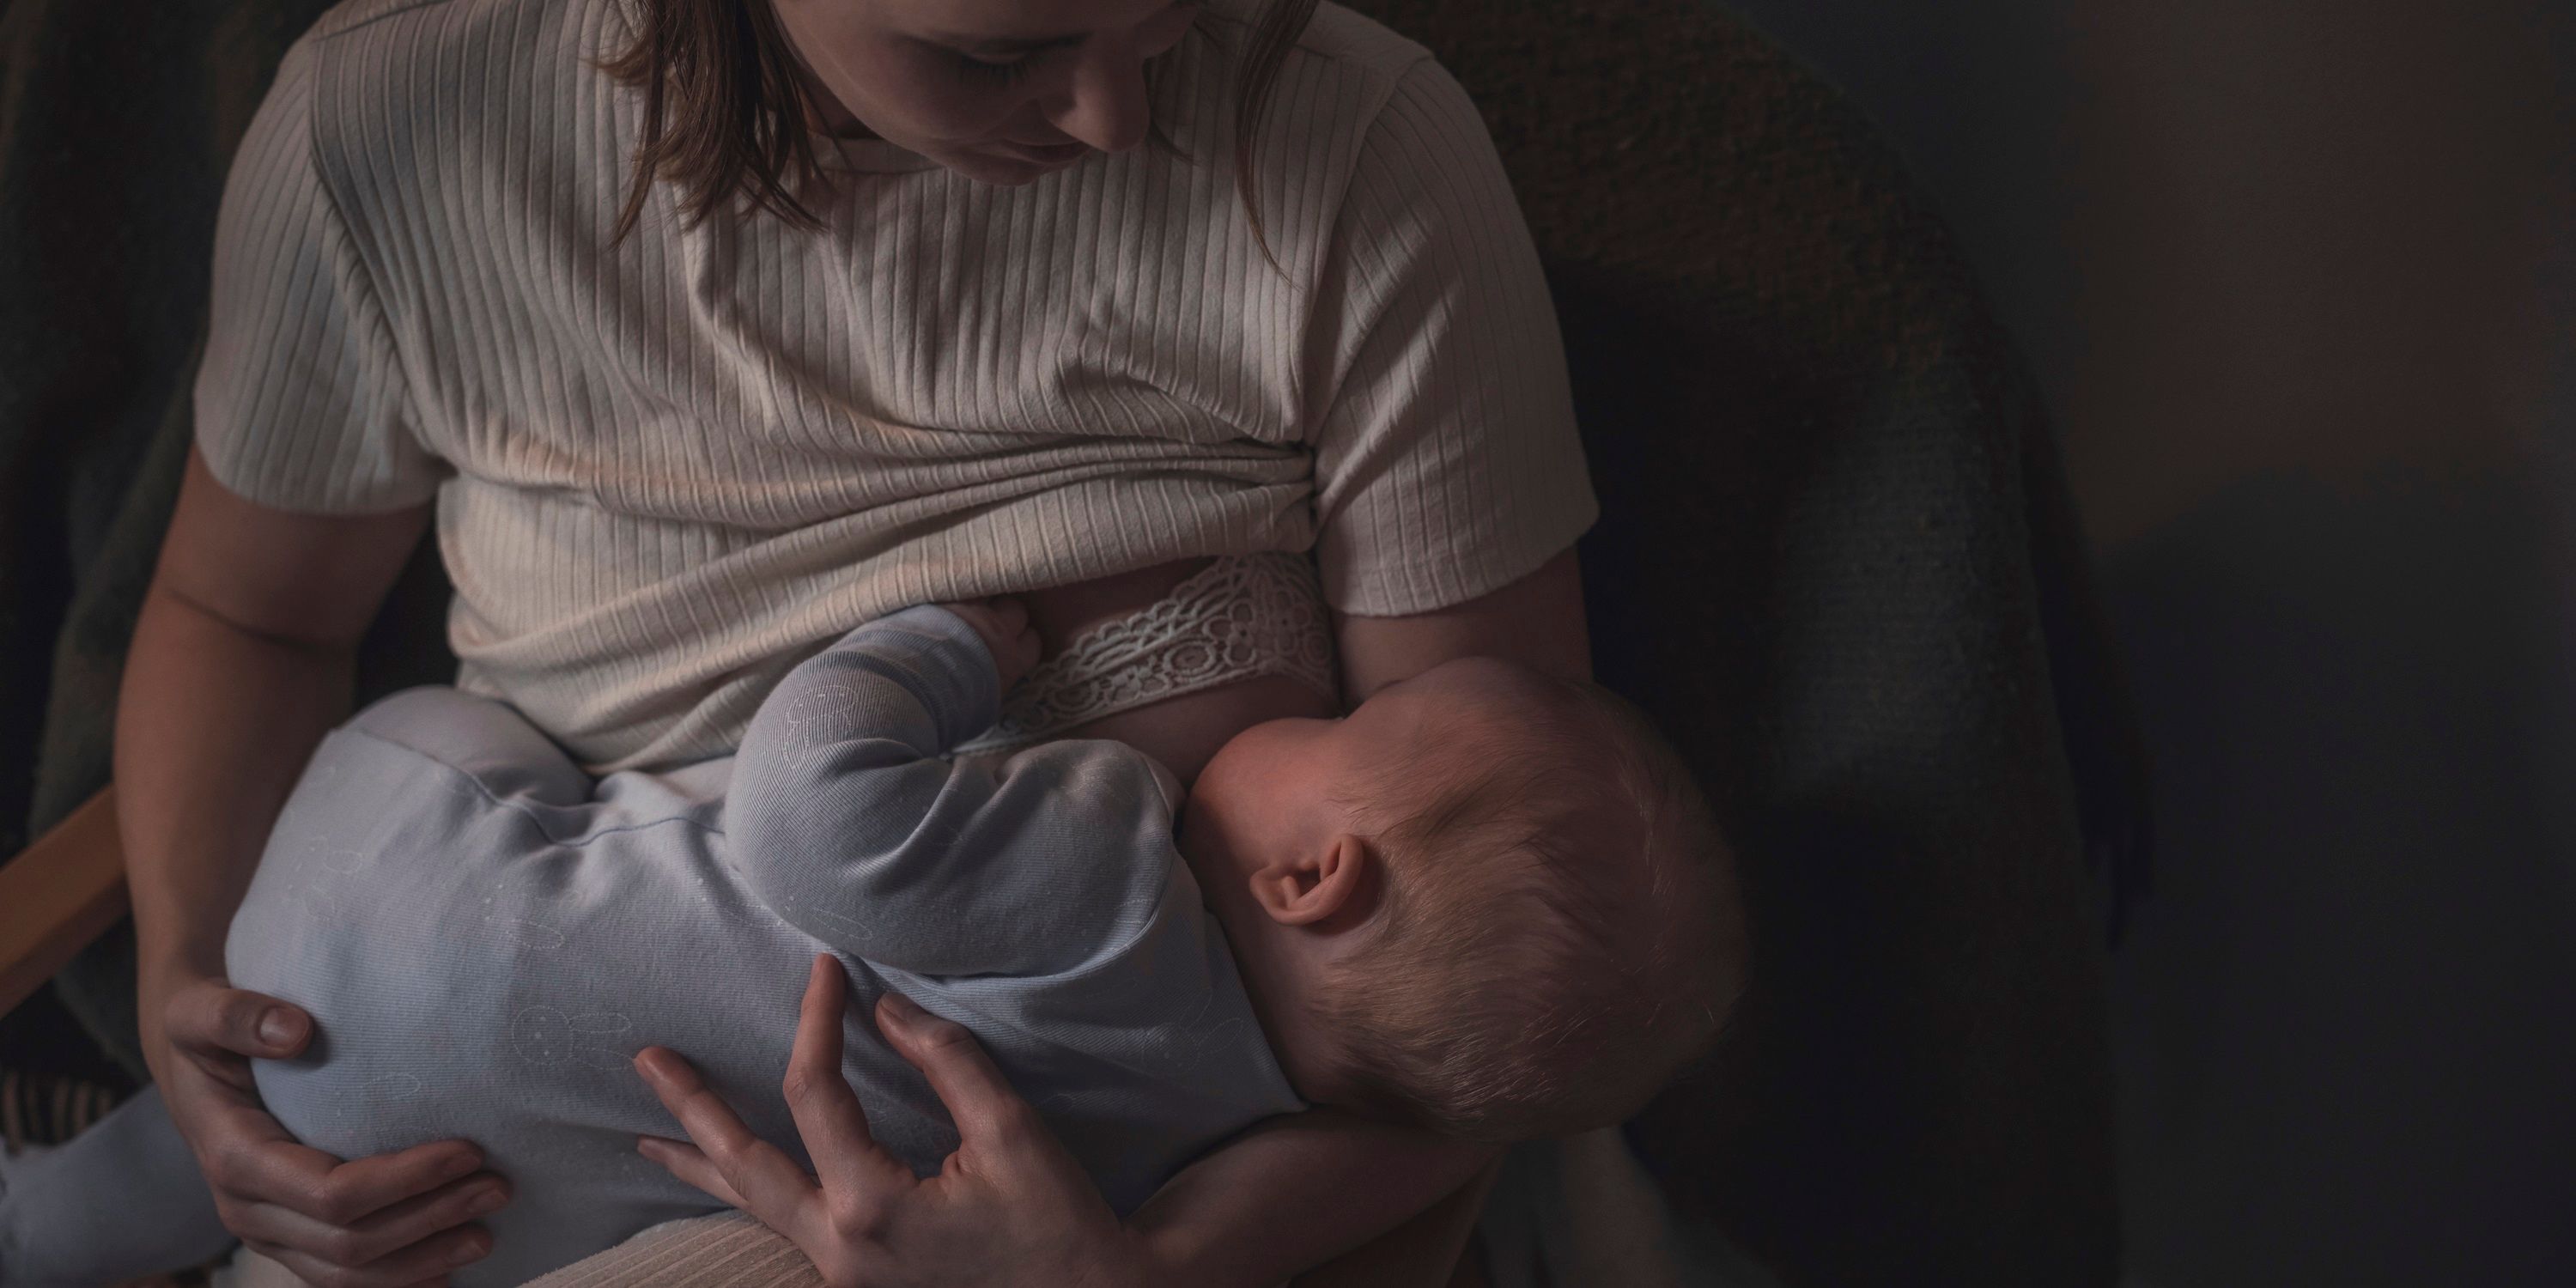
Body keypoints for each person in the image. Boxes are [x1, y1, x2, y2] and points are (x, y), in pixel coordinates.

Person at [117, 0, 1640, 1280]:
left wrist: (1134, 1266)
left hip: (1111, 1195)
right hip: (522, 1034)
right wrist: (189, 997)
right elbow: (245, 612)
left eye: (1168, 10)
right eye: (995, 49)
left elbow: (1487, 983)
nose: (1116, 116)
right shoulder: (384, 132)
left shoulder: (1355, 149)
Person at [2, 582, 1740, 1286]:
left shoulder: (1114, 870)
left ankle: (46, 1216)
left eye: (1345, 732)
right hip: (471, 1206)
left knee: (475, 744)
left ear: (1317, 874)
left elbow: (804, 809)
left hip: (360, 927)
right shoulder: (1191, 1159)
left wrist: (955, 645)